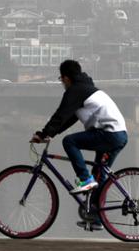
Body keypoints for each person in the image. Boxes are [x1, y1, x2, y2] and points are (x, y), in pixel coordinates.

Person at [30, 59, 128, 230]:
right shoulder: (86, 89)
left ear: (66, 78)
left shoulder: (75, 90)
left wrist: (43, 133)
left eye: (61, 80)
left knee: (70, 141)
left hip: (109, 134)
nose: (62, 83)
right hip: (117, 135)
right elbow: (68, 118)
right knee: (99, 175)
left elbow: (60, 114)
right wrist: (49, 134)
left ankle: (84, 179)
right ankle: (96, 218)